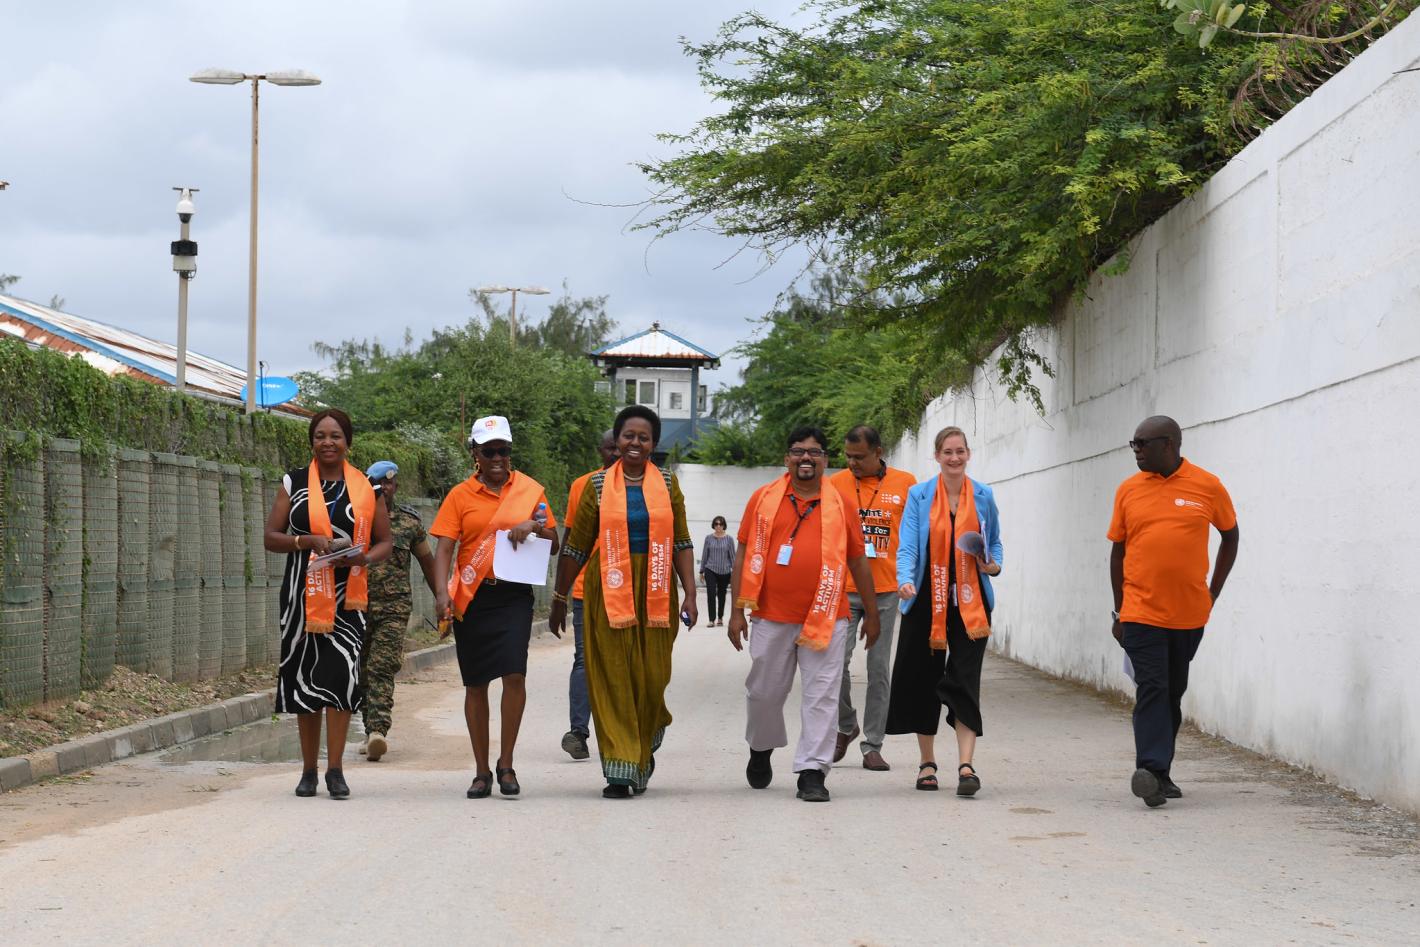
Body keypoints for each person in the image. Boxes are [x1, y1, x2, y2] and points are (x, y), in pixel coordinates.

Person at [550, 405, 698, 798]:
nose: (635, 442)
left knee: (652, 677)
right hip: (608, 587)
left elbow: (682, 541)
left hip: (656, 588)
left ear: (653, 443)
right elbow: (576, 547)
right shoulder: (597, 486)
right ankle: (619, 768)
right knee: (612, 675)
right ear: (617, 441)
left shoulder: (668, 484)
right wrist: (560, 597)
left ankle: (641, 752)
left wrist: (690, 593)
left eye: (643, 437)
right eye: (628, 435)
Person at [728, 426, 880, 803]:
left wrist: (872, 613)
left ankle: (813, 772)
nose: (806, 458)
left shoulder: (841, 503)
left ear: (825, 460)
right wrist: (736, 611)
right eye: (798, 451)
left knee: (822, 696)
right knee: (763, 693)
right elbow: (743, 554)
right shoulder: (763, 499)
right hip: (770, 614)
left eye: (814, 452)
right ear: (787, 459)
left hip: (828, 616)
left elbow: (858, 561)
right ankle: (761, 748)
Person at [1109, 415, 1238, 808]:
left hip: (1188, 614)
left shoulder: (1207, 486)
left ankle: (1160, 774)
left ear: (1169, 444)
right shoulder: (1128, 490)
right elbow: (1118, 551)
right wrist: (1119, 611)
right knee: (1152, 686)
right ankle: (1149, 769)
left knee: (1172, 692)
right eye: (1133, 444)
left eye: (1142, 444)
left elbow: (1230, 536)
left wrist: (1212, 592)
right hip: (1140, 611)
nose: (1136, 451)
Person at [264, 408, 393, 799]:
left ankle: (335, 771)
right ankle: (308, 771)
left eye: (335, 436)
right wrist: (305, 541)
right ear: (311, 442)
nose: (327, 442)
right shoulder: (294, 482)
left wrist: (362, 559)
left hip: (348, 597)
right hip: (302, 596)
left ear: (348, 442)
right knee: (305, 681)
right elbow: (271, 537)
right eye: (320, 435)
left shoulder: (367, 487)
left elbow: (385, 542)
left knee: (341, 679)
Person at [431, 415, 559, 799]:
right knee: (476, 683)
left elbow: (554, 541)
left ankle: (507, 764)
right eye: (489, 452)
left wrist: (534, 527)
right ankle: (481, 771)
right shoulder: (459, 496)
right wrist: (441, 592)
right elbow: (444, 548)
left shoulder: (531, 491)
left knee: (514, 675)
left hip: (514, 596)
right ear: (475, 453)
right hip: (473, 597)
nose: (498, 458)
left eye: (503, 450)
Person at [887, 426, 1002, 796]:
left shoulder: (983, 495)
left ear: (968, 454)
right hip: (926, 598)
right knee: (923, 678)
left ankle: (966, 766)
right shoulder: (919, 495)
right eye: (947, 452)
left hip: (971, 602)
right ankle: (927, 763)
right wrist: (905, 580)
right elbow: (907, 546)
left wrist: (993, 565)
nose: (954, 458)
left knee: (965, 679)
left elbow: (995, 543)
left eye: (960, 451)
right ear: (937, 456)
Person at [828, 424, 917, 772]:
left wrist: (912, 578)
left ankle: (873, 745)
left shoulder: (905, 483)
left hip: (886, 590)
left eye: (859, 457)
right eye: (848, 456)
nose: (852, 463)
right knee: (834, 664)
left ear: (878, 452)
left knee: (879, 668)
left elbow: (914, 535)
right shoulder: (835, 484)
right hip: (845, 588)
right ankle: (846, 724)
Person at [357, 460, 439, 763]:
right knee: (362, 669)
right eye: (379, 484)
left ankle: (378, 730)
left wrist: (442, 600)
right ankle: (369, 728)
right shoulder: (356, 519)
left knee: (381, 665)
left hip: (394, 607)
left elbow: (428, 563)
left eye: (389, 483)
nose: (385, 488)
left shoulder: (409, 523)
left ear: (396, 486)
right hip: (357, 606)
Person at [559, 429, 619, 761]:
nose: (616, 454)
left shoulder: (646, 487)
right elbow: (570, 541)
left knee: (622, 662)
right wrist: (560, 593)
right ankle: (578, 733)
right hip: (586, 590)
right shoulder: (582, 486)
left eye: (619, 448)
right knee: (584, 659)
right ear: (600, 450)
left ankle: (620, 732)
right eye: (610, 448)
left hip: (629, 591)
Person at [699, 516, 735, 628]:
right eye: (716, 524)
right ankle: (711, 619)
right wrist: (701, 571)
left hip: (725, 571)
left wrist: (735, 572)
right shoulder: (708, 538)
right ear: (713, 525)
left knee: (722, 595)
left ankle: (720, 618)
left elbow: (732, 557)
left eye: (720, 524)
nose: (718, 526)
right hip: (710, 569)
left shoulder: (729, 539)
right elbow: (705, 555)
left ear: (724, 525)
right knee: (711, 594)